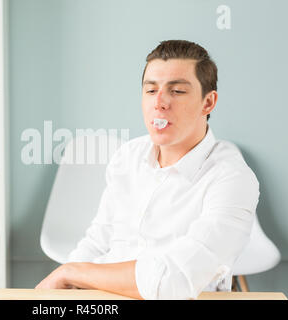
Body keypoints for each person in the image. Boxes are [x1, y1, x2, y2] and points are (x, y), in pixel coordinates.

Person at [36, 40, 260, 300]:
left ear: (208, 103)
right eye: (151, 90)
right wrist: (63, 287)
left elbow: (172, 281)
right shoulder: (128, 157)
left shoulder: (232, 178)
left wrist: (71, 272)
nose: (160, 102)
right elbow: (99, 240)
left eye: (176, 91)